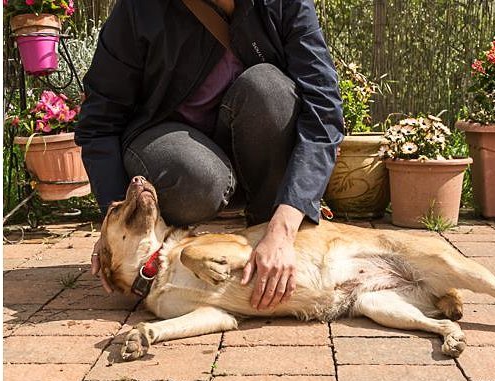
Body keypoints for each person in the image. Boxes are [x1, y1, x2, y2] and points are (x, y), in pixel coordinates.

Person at [75, 0, 343, 310]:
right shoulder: (139, 8)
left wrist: (285, 223)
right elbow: (99, 123)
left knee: (270, 89)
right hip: (169, 145)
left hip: (254, 153)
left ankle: (265, 231)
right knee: (197, 177)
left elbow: (324, 109)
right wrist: (114, 220)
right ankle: (169, 253)